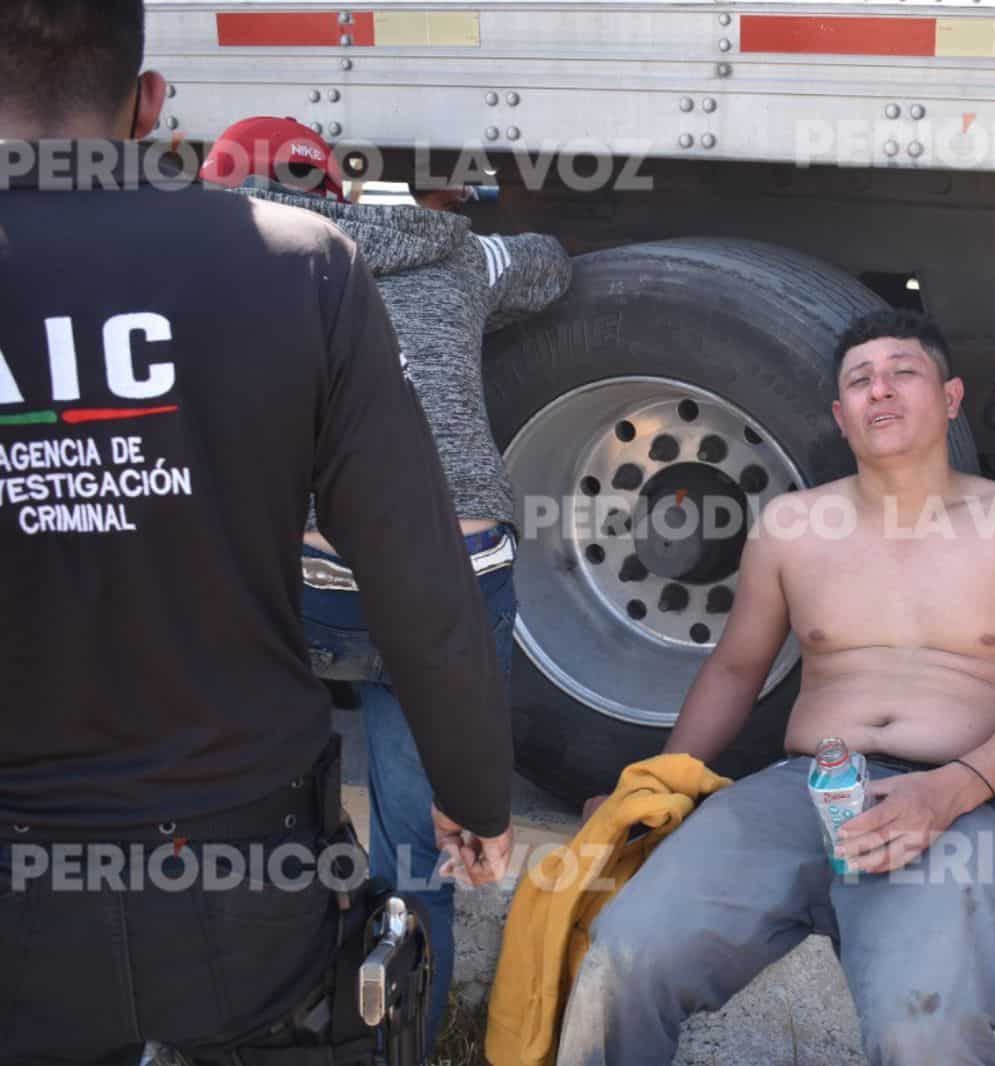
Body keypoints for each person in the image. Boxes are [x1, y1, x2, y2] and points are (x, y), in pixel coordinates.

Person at [0, 3, 514, 1063]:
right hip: (247, 869)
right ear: (150, 108)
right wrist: (472, 791)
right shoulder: (302, 267)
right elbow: (419, 580)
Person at [560, 308, 995, 1066]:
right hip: (795, 793)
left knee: (925, 1033)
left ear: (950, 397)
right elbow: (736, 670)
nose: (881, 390)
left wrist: (946, 792)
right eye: (860, 380)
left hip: (954, 808)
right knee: (625, 954)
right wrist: (650, 790)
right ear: (842, 417)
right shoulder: (792, 526)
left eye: (904, 372)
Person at [200, 116, 572, 1054]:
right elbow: (550, 264)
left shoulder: (215, 263)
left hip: (301, 587)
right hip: (452, 585)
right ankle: (413, 1037)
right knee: (420, 852)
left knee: (253, 820)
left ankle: (257, 1025)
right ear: (338, 187)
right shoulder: (453, 256)